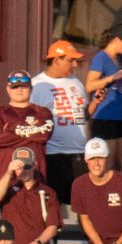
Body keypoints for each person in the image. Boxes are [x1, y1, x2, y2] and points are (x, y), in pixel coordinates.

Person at [30, 41, 93, 198]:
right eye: (70, 60)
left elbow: (85, 114)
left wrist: (97, 102)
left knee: (84, 200)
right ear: (57, 60)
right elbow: (29, 119)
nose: (75, 64)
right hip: (54, 153)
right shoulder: (37, 85)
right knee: (53, 200)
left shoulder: (75, 82)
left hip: (79, 152)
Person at [0, 147, 64, 244]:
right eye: (19, 167)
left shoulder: (47, 192)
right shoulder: (8, 188)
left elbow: (53, 226)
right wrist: (9, 172)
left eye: (27, 166)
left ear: (34, 165)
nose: (23, 170)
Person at [85, 28, 122, 175]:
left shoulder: (118, 59)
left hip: (119, 117)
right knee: (108, 163)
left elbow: (114, 86)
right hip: (103, 118)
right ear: (116, 40)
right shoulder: (101, 58)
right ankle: (105, 197)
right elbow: (89, 85)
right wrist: (112, 78)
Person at [0, 70, 55, 181]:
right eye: (15, 87)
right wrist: (33, 131)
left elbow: (44, 136)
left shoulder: (43, 112)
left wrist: (10, 128)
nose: (19, 90)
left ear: (31, 89)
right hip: (6, 176)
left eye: (24, 86)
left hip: (36, 175)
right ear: (8, 89)